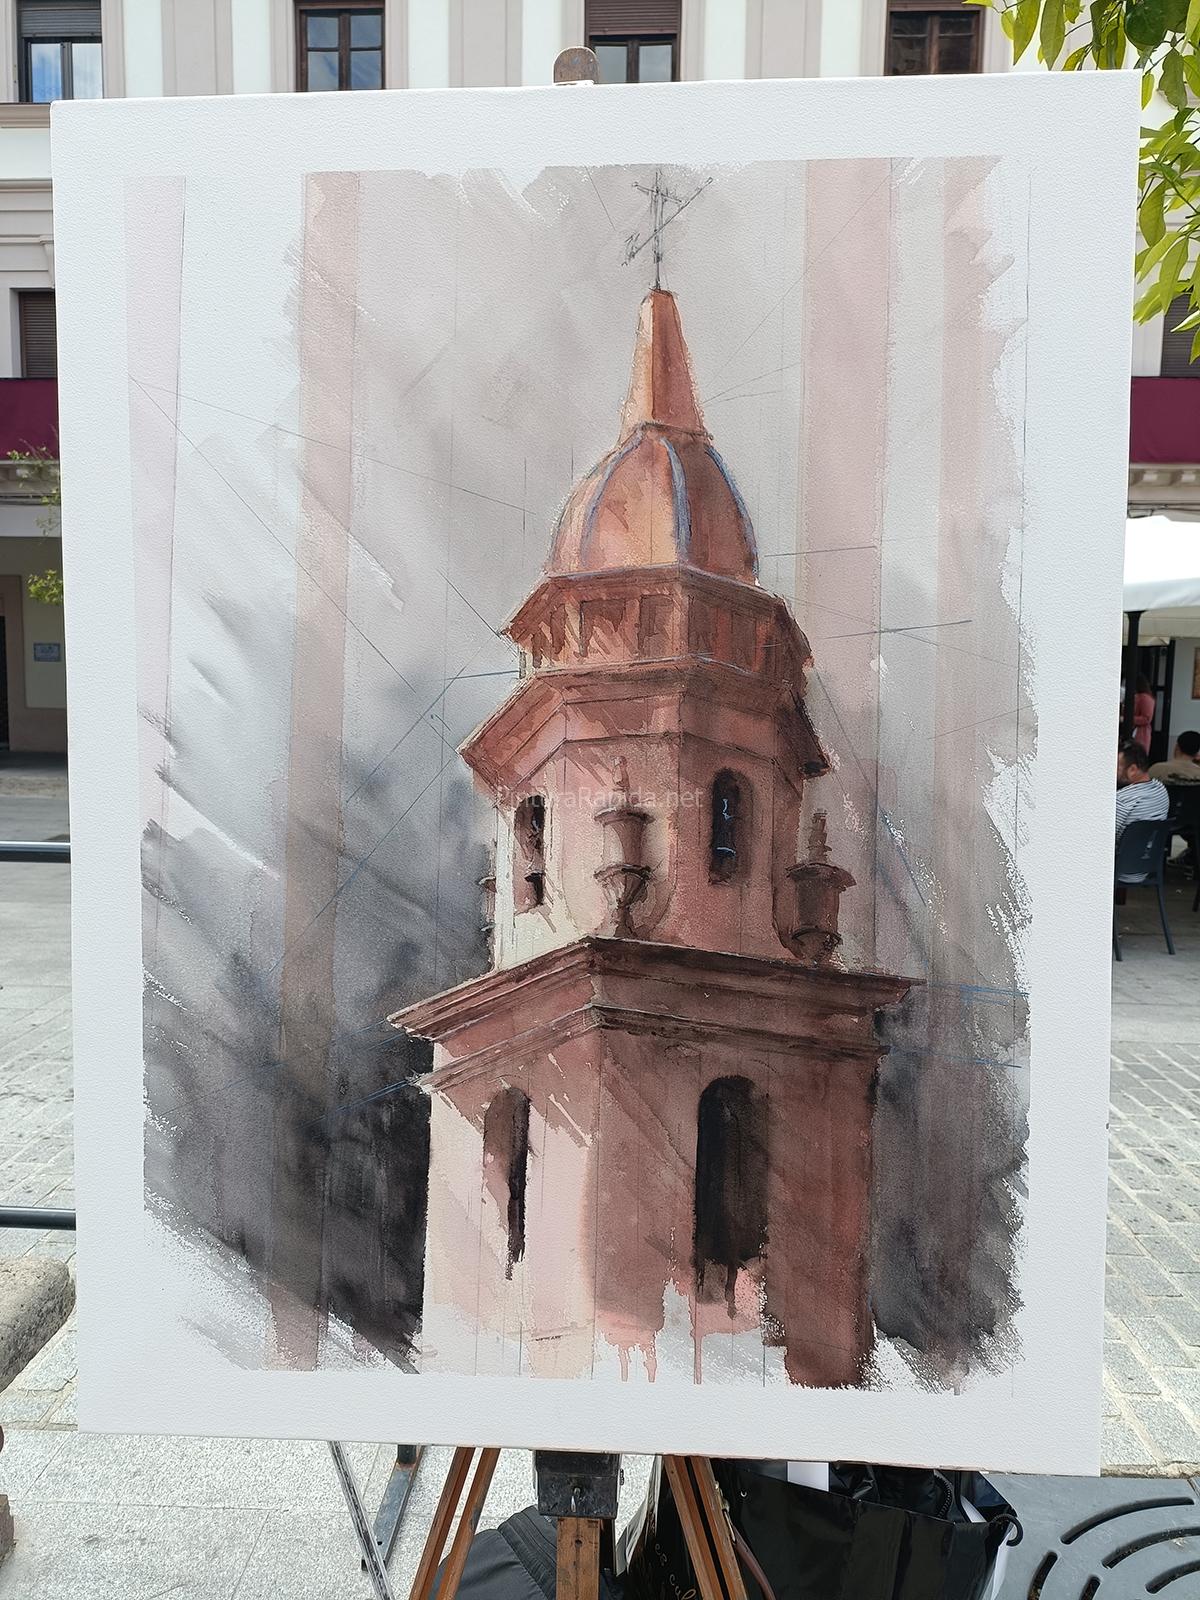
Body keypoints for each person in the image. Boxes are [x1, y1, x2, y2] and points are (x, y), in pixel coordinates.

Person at [1116, 742, 1169, 883]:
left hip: (1120, 870)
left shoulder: (1123, 799)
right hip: (1147, 865)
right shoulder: (1160, 789)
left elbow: (1105, 838)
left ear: (1133, 769)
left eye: (1117, 767)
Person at [1132, 675, 1156, 755]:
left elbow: (1146, 718)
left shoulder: (1145, 698)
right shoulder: (1138, 696)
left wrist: (1128, 718)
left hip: (1140, 732)